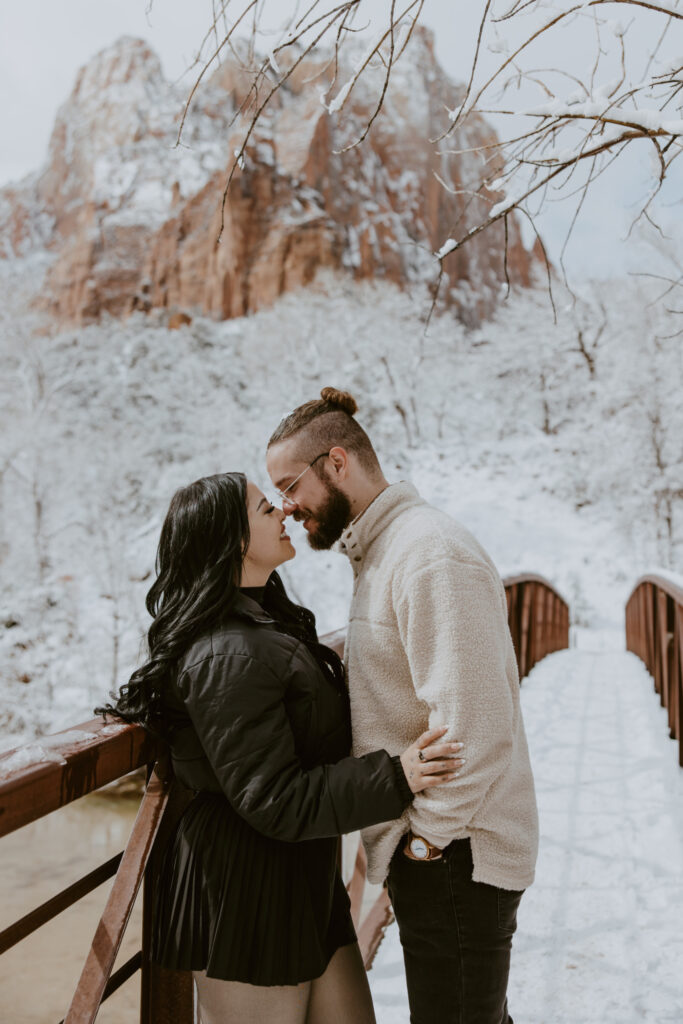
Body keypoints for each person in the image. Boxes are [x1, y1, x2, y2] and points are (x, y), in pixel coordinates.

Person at [96, 471, 463, 1024]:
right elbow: (273, 798)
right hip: (247, 895)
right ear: (230, 541)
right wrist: (396, 776)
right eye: (266, 509)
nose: (285, 512)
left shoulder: (262, 625)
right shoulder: (227, 655)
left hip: (301, 878)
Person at [266, 388, 539, 1024]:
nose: (285, 506)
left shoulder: (427, 553)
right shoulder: (386, 550)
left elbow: (477, 724)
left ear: (336, 462)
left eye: (289, 484)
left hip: (456, 857)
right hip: (444, 857)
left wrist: (422, 846)